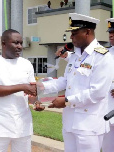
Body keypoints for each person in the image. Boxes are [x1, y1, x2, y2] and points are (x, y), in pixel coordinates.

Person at [38, 13, 114, 152]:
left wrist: (66, 102)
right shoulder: (75, 56)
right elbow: (65, 81)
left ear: (87, 32)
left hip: (89, 125)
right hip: (70, 122)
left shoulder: (102, 57)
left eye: (75, 32)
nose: (71, 37)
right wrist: (42, 87)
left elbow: (97, 93)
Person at [0, 29, 40, 152]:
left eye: (20, 43)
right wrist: (22, 87)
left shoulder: (26, 64)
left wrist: (35, 102)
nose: (19, 47)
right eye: (15, 43)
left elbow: (32, 91)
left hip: (22, 121)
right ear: (4, 43)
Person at [101, 18, 114, 152]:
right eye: (110, 31)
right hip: (107, 111)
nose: (111, 35)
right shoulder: (105, 54)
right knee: (108, 148)